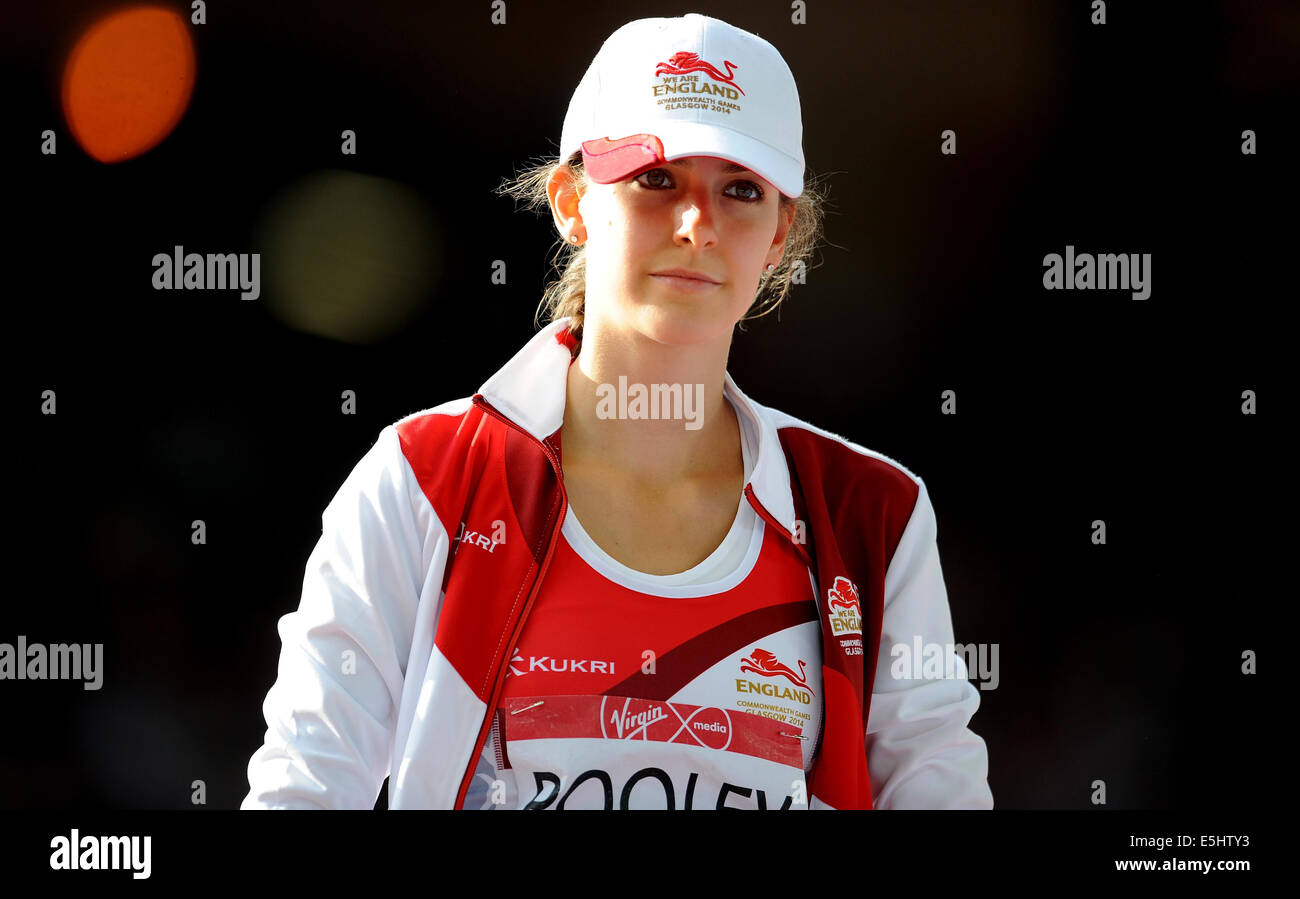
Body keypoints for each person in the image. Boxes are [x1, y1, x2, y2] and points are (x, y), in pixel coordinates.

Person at [242, 12, 993, 810]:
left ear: (781, 234)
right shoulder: (423, 479)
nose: (697, 224)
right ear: (571, 201)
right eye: (655, 178)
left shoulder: (874, 516)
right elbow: (304, 788)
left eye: (741, 190)